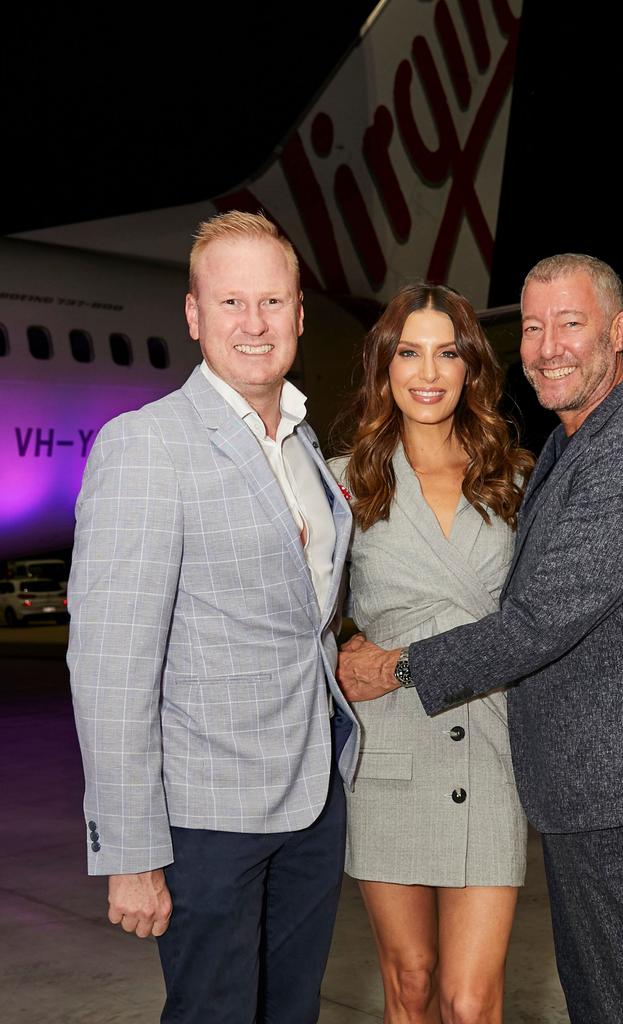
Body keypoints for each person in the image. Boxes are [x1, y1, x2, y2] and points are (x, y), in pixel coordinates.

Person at [338, 255, 623, 1024]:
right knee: (599, 1000)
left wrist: (396, 665)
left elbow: (538, 620)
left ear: (619, 331)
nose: (547, 346)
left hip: (603, 781)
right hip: (544, 779)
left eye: (570, 325)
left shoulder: (588, 458)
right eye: (533, 328)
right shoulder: (562, 454)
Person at [68, 210, 358, 1024]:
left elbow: (306, 621)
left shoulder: (302, 445)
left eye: (273, 302)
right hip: (206, 821)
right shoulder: (147, 445)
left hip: (311, 803)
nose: (255, 324)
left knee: (289, 1012)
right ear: (195, 317)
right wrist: (130, 854)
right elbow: (111, 665)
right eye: (230, 303)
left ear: (300, 315)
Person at [329, 282, 533, 1023]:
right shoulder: (345, 481)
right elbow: (297, 608)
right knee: (410, 982)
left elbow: (552, 607)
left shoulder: (517, 480)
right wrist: (339, 656)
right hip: (391, 758)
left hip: (489, 751)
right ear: (385, 366)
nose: (428, 371)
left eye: (447, 352)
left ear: (471, 369)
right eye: (408, 352)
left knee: (470, 1000)